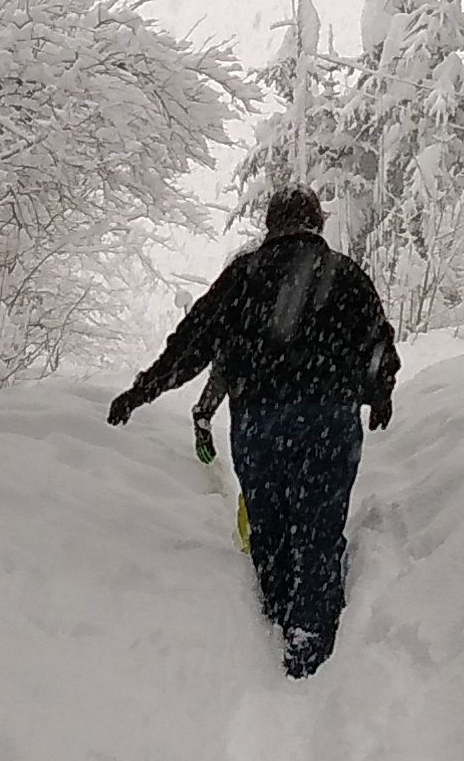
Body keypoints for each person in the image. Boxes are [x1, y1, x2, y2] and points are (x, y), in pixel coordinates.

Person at [109, 186, 398, 677]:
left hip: (260, 422)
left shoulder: (243, 276)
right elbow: (378, 348)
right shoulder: (347, 276)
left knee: (270, 523)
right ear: (316, 223)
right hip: (329, 420)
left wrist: (143, 390)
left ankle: (275, 615)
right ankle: (310, 638)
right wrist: (378, 393)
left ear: (270, 225)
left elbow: (191, 343)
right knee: (319, 525)